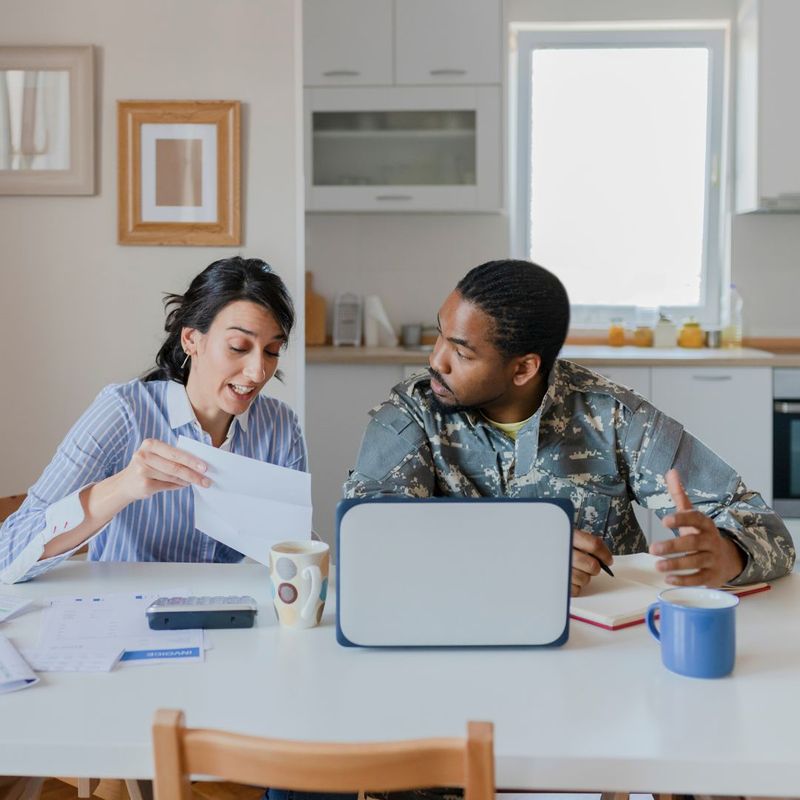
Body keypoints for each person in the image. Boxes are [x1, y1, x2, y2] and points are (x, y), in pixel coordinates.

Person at [344, 259, 795, 594]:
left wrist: (728, 556)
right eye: (439, 333)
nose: (435, 360)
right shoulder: (413, 411)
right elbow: (365, 541)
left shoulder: (613, 417)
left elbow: (768, 530)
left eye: (461, 352)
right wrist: (516, 557)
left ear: (523, 369)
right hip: (459, 638)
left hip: (602, 654)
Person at [0, 256, 306, 584]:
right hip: (122, 619)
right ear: (191, 339)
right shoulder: (124, 412)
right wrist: (123, 486)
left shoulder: (279, 427)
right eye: (238, 346)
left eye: (272, 351)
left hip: (228, 619)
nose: (258, 371)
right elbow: (7, 553)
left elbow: (295, 558)